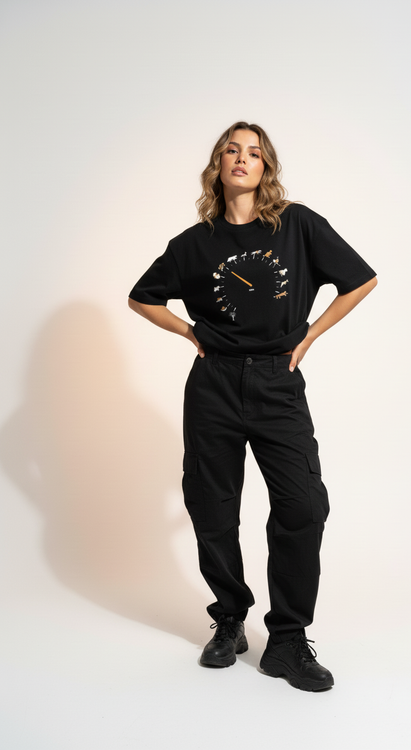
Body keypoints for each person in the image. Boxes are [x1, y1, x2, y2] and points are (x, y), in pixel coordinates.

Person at [128, 121, 377, 692]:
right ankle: (230, 619)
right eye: (232, 150)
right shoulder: (194, 244)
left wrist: (309, 335)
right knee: (211, 506)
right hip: (213, 385)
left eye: (255, 153)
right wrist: (190, 331)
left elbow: (360, 281)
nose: (243, 159)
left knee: (303, 504)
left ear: (266, 168)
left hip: (276, 381)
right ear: (218, 164)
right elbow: (142, 297)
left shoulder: (296, 225)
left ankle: (286, 641)